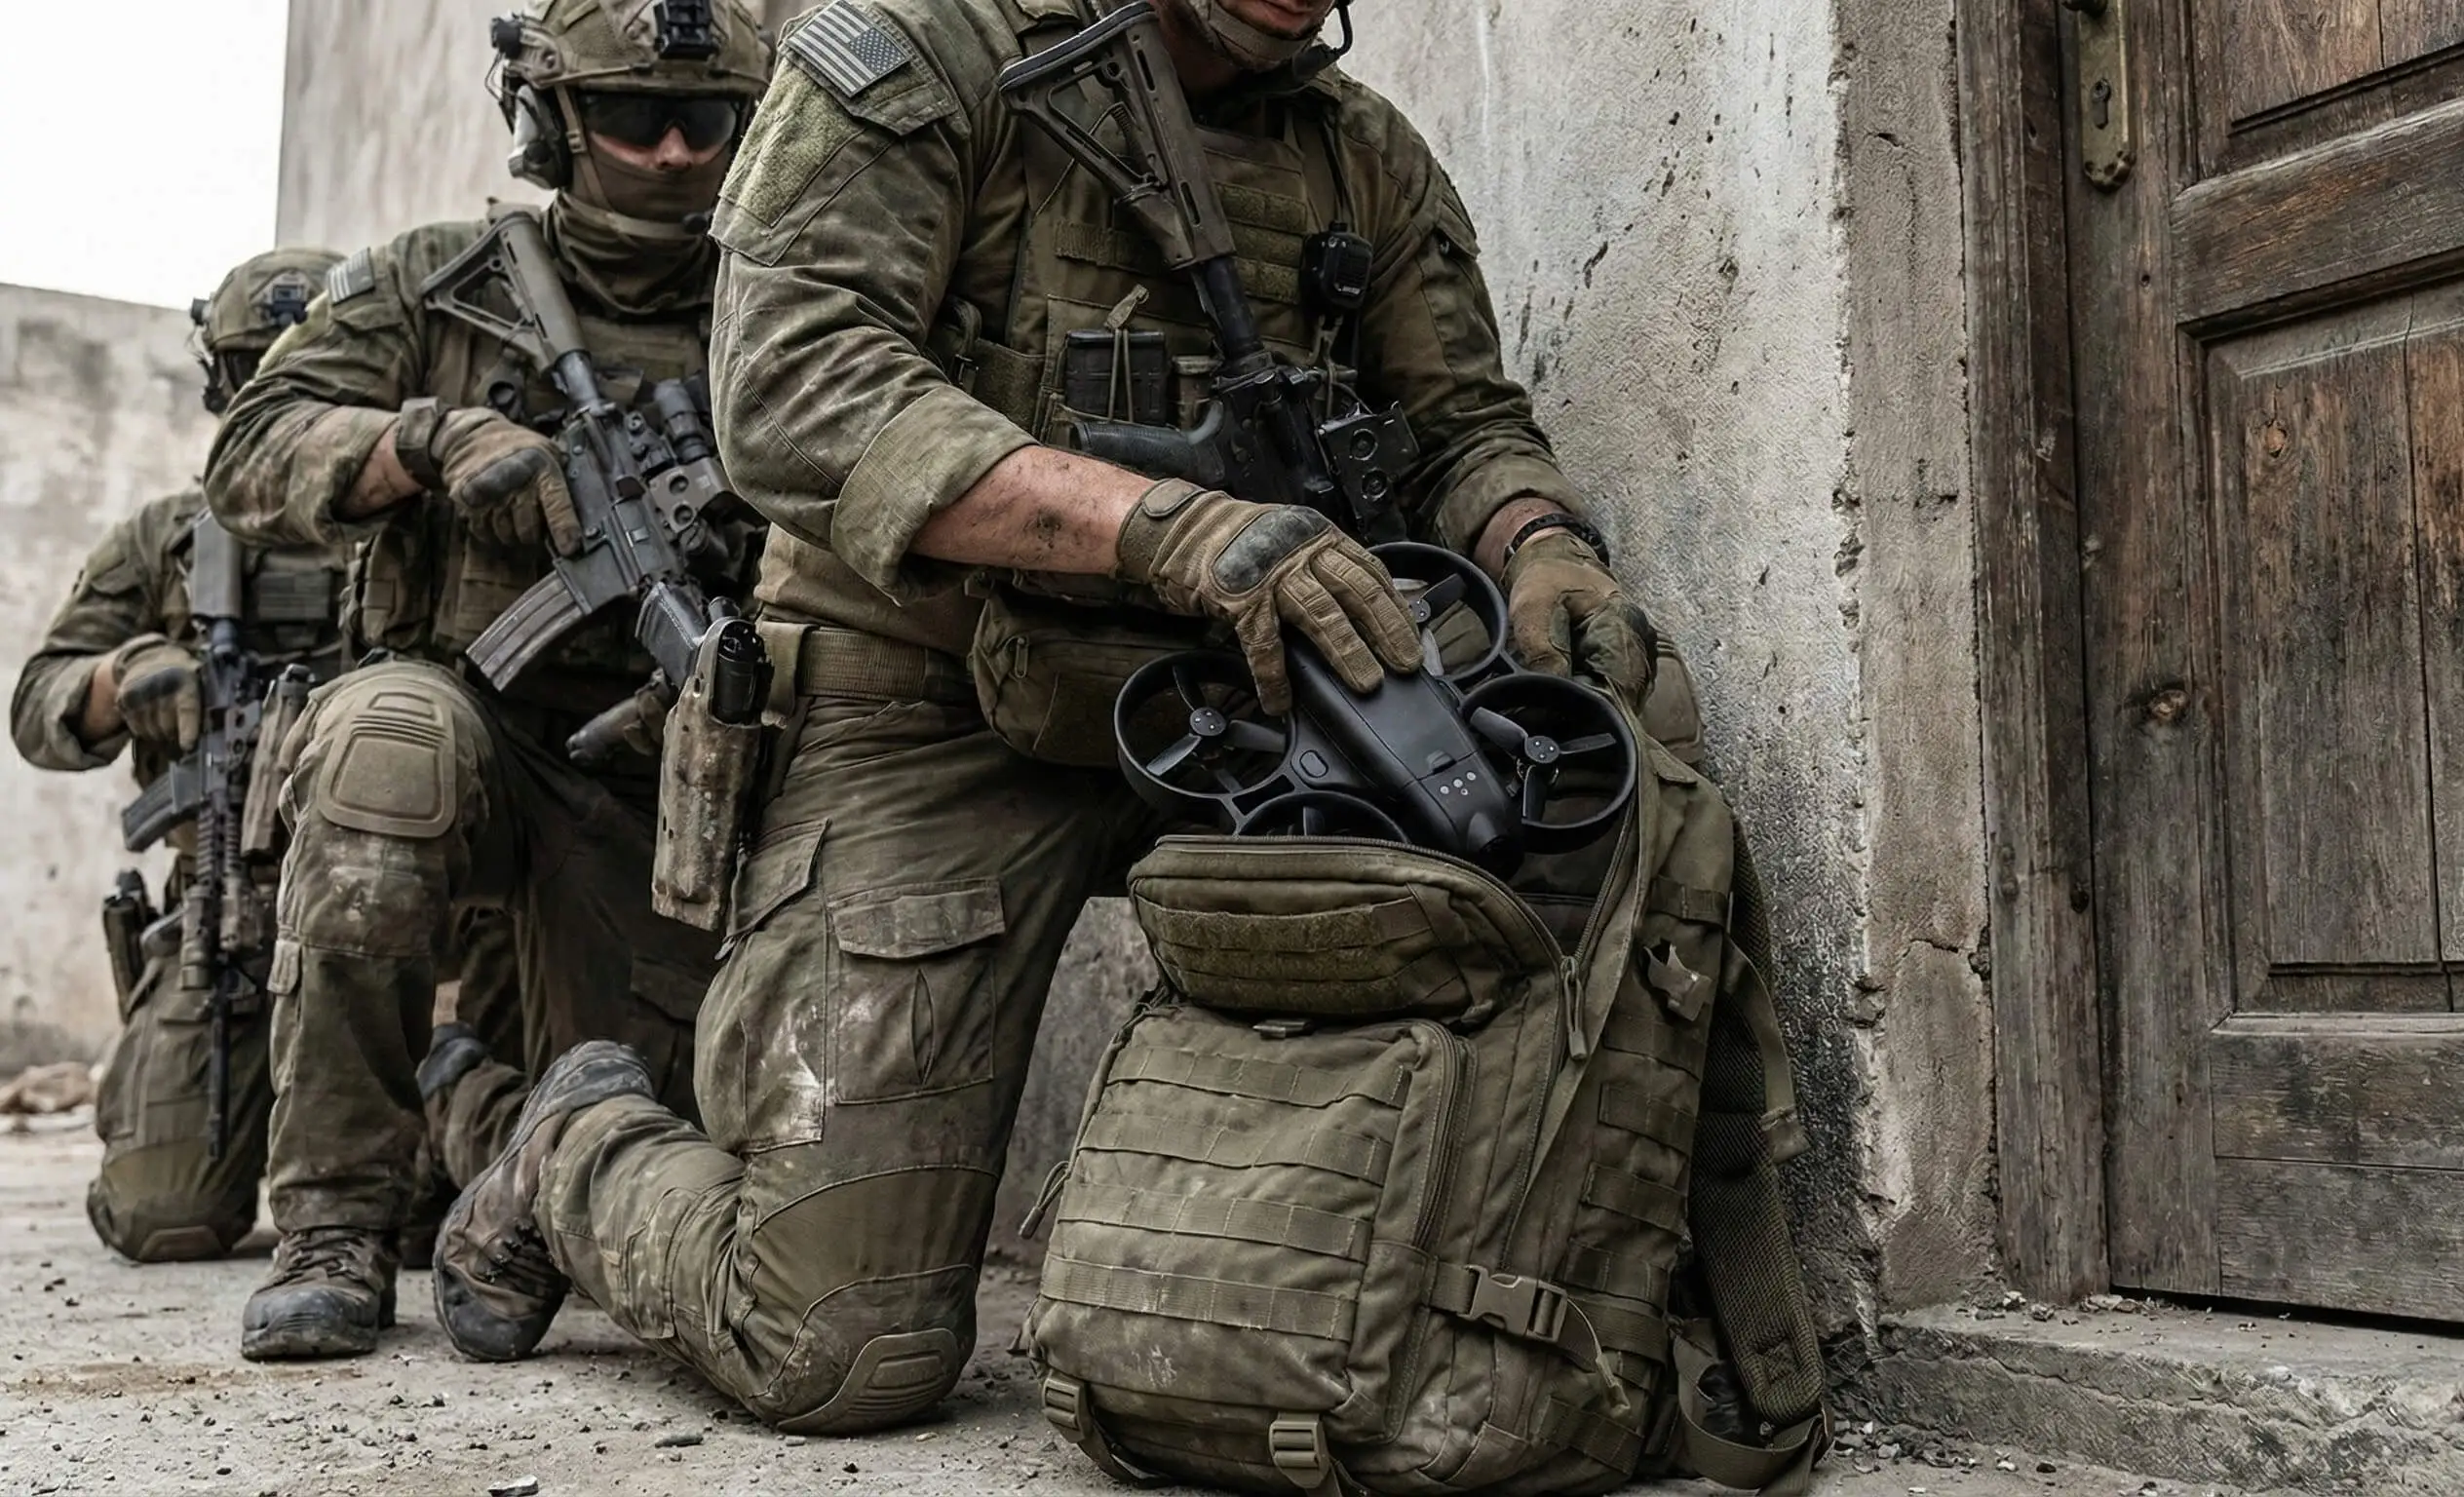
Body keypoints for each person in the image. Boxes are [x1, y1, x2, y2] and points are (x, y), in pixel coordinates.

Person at [434, 0, 1684, 1439]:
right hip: (928, 699)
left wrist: (1539, 541)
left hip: (1250, 706)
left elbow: (1463, 420)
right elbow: (793, 389)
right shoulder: (920, 54)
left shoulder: (1363, 159)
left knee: (1598, 749)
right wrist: (1159, 530)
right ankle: (575, 1138)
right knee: (835, 1346)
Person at [202, 0, 771, 1361]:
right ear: (552, 122)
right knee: (379, 750)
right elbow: (250, 453)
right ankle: (333, 1223)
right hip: (463, 711)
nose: (675, 152)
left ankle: (482, 1127)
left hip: (657, 764)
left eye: (711, 124)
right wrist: (425, 442)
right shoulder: (435, 279)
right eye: (635, 117)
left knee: (638, 1112)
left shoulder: (781, 307)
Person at [9, 250, 342, 1265]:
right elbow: (39, 703)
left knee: (423, 1217)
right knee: (163, 1217)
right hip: (224, 924)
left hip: (411, 930)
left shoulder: (417, 533)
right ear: (220, 386)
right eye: (255, 368)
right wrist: (122, 677)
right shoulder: (166, 541)